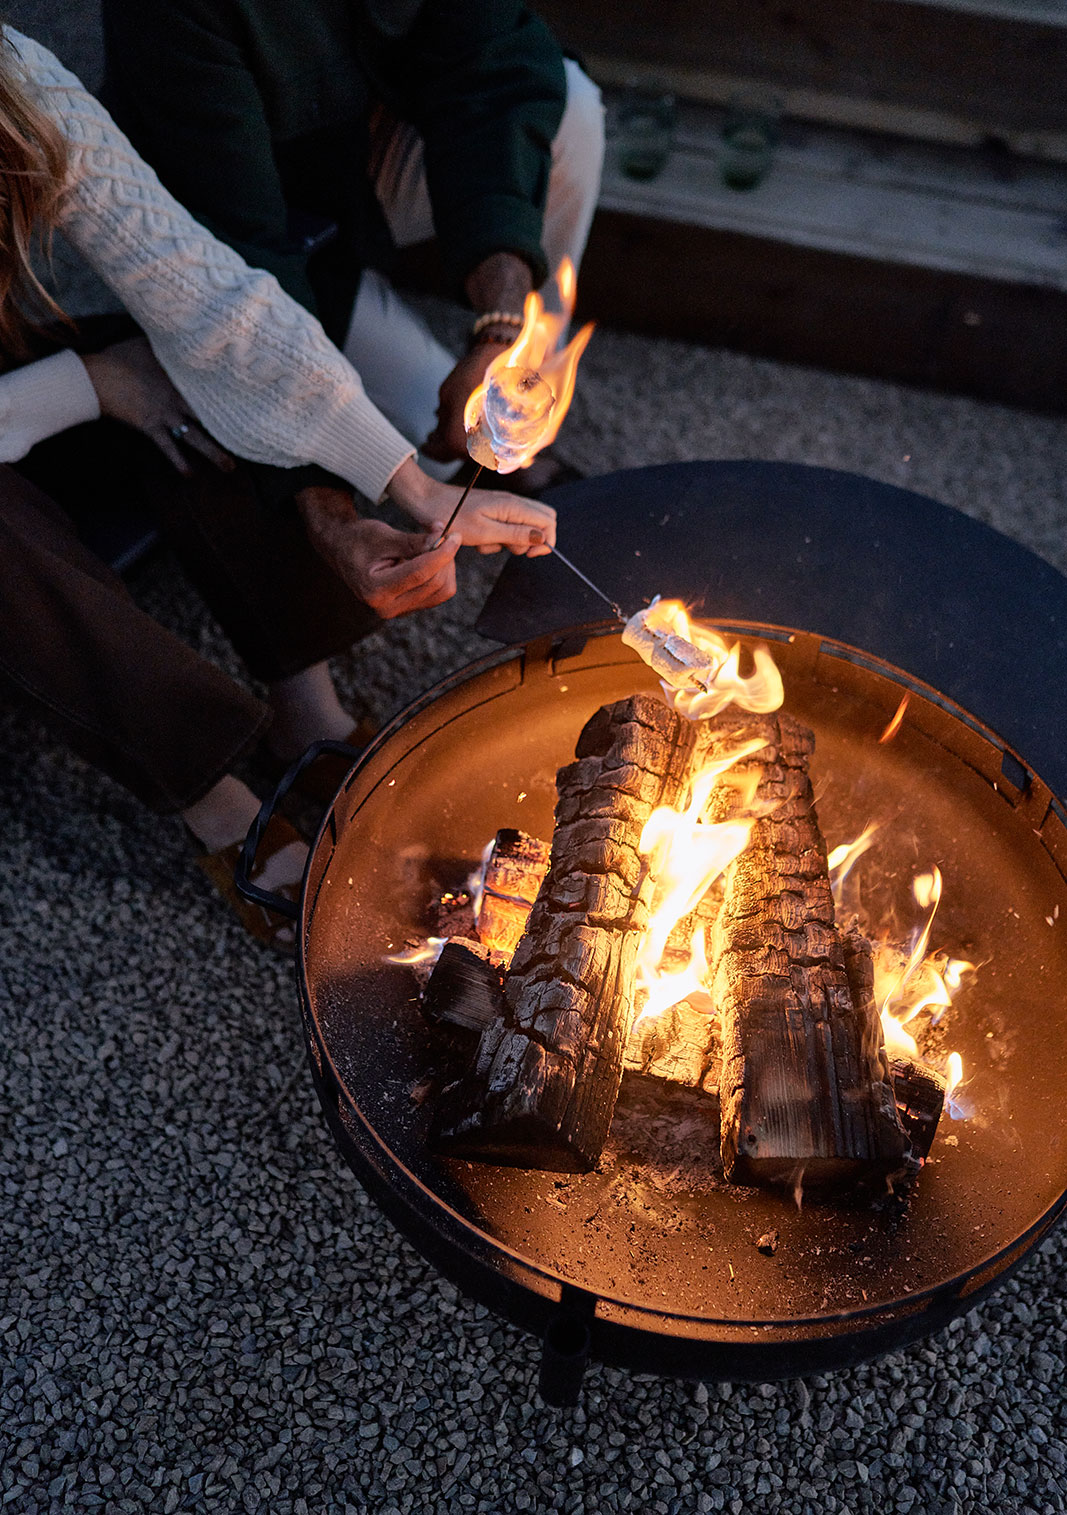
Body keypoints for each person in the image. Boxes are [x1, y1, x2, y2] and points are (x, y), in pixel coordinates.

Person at [0, 27, 556, 948]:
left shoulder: (14, 78)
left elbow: (207, 293)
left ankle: (308, 710)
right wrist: (90, 387)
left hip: (18, 353)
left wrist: (408, 483)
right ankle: (213, 796)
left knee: (200, 359)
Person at [101, 0, 605, 483]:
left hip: (370, 150)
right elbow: (242, 237)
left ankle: (518, 404)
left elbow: (489, 68)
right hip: (240, 215)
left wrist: (502, 327)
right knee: (418, 452)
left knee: (572, 103)